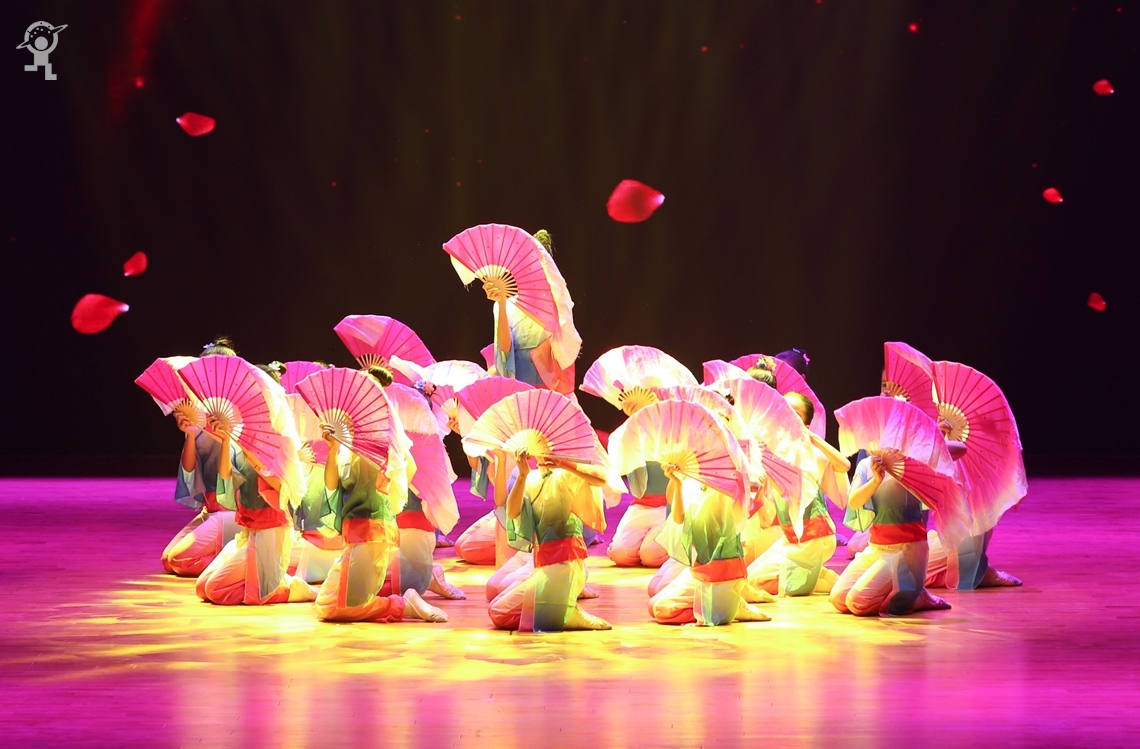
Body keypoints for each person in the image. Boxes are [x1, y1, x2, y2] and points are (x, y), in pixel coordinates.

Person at [487, 451, 611, 632]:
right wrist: (522, 476)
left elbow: (601, 479)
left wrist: (563, 463)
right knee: (495, 604)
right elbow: (512, 512)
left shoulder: (566, 474)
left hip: (566, 563)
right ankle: (560, 611)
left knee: (499, 613)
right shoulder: (531, 478)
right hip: (544, 563)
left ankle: (565, 613)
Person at [746, 392, 850, 597]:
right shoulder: (770, 453)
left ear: (806, 425)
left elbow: (844, 465)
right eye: (783, 411)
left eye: (794, 414)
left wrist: (814, 438)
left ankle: (820, 580)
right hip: (792, 539)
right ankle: (816, 574)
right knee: (751, 579)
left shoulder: (811, 455)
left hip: (815, 537)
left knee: (770, 586)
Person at [829, 451, 951, 617]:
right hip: (876, 548)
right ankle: (906, 590)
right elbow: (854, 501)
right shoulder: (866, 464)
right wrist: (876, 480)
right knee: (839, 598)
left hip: (905, 550)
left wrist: (932, 444)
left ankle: (914, 594)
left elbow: (956, 450)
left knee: (858, 602)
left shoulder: (912, 462)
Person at [648, 468, 770, 626]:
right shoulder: (692, 481)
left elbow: (741, 515)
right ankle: (731, 602)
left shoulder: (727, 482)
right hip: (701, 565)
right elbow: (678, 518)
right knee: (653, 604)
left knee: (662, 610)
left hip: (720, 569)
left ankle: (732, 604)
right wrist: (676, 482)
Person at [160, 338, 240, 577]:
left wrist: (224, 438)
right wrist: (190, 434)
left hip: (233, 509)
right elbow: (189, 470)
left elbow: (233, 474)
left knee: (181, 561)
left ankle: (244, 558)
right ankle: (235, 554)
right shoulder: (197, 413)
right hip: (211, 507)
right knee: (168, 561)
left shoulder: (239, 413)